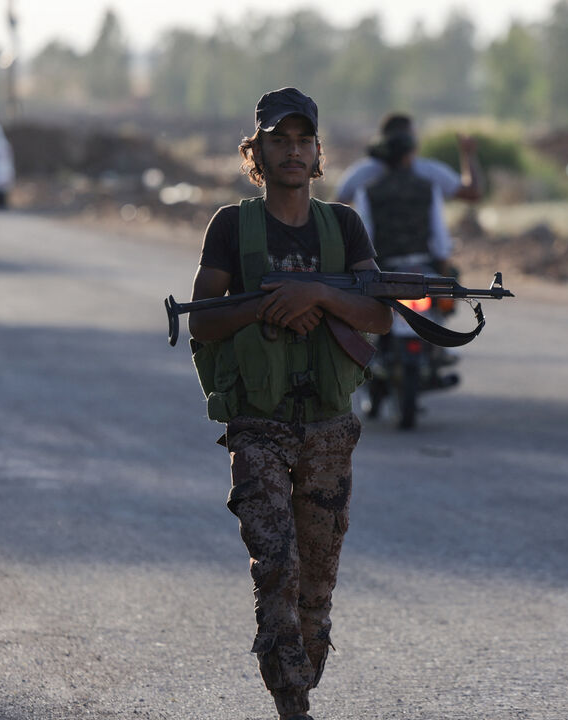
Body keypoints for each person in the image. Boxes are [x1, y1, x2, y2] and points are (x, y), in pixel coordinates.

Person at [186, 87, 392, 720]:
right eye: (279, 140)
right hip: (259, 427)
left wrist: (318, 297)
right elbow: (202, 320)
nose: (293, 151)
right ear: (258, 151)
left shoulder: (343, 226)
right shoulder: (232, 226)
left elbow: (379, 313)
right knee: (275, 562)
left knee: (317, 583)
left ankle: (302, 670)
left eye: (303, 141)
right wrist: (268, 306)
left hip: (329, 427)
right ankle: (291, 700)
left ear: (318, 153)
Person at [333, 113, 483, 275]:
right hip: (425, 265)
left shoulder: (363, 183)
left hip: (380, 268)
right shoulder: (429, 180)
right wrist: (468, 153)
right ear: (410, 146)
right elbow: (441, 232)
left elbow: (344, 220)